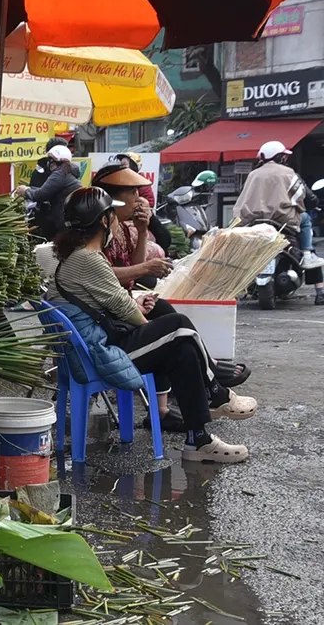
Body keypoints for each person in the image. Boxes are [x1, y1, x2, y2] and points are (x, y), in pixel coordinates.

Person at [47, 187, 257, 463]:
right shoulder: (86, 259)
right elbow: (122, 307)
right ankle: (216, 393)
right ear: (103, 220)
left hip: (97, 345)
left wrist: (142, 314)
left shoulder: (80, 256)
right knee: (177, 326)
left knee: (180, 349)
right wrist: (153, 327)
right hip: (99, 356)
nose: (116, 221)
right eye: (112, 214)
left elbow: (111, 302)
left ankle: (199, 440)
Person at [235, 140, 324, 304]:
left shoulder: (253, 175)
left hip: (254, 223)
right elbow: (306, 197)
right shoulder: (289, 173)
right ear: (280, 157)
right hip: (284, 222)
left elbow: (243, 200)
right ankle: (319, 288)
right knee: (305, 221)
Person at [92, 164, 173, 290]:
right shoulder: (96, 231)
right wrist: (147, 267)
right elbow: (100, 275)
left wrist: (142, 231)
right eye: (132, 192)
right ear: (111, 198)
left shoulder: (122, 228)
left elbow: (134, 269)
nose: (138, 198)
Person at [15, 144, 82, 240]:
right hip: (71, 221)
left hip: (66, 223)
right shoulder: (67, 173)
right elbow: (46, 189)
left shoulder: (59, 174)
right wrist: (30, 188)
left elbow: (41, 194)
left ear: (53, 160)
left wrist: (25, 191)